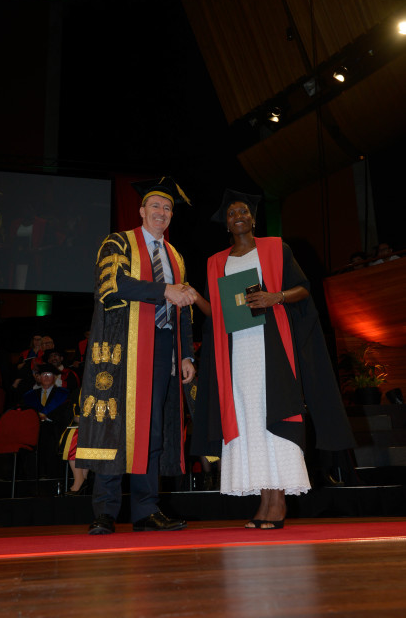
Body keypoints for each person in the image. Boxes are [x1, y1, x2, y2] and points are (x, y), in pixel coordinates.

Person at [190, 189, 355, 529]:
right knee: (249, 421)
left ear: (253, 219)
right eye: (231, 213)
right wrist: (194, 296)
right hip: (236, 353)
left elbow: (304, 288)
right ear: (225, 224)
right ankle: (264, 501)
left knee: (274, 416)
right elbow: (216, 314)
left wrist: (274, 297)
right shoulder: (216, 262)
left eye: (243, 212)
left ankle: (278, 502)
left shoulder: (277, 249)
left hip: (271, 348)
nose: (238, 216)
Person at [76, 177, 196, 535]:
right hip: (121, 348)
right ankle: (105, 512)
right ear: (142, 211)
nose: (162, 212)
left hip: (162, 348)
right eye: (155, 206)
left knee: (153, 429)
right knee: (113, 426)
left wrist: (186, 355)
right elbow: (111, 285)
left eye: (167, 208)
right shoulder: (118, 242)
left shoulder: (175, 256)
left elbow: (184, 309)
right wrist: (165, 290)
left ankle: (146, 510)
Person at [22, 363, 71, 477]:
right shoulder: (29, 396)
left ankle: (52, 476)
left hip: (55, 429)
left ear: (54, 377)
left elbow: (66, 414)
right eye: (44, 374)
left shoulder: (64, 394)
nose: (46, 377)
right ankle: (32, 475)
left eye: (49, 374)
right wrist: (36, 417)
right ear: (39, 377)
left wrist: (47, 417)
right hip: (34, 430)